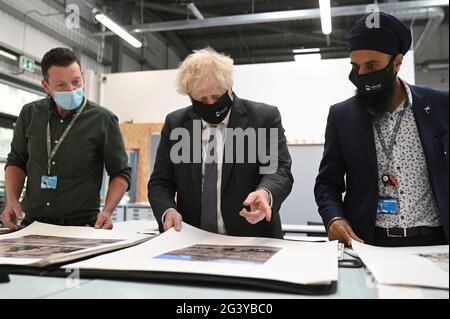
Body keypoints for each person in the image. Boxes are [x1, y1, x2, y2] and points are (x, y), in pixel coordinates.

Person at [314, 12, 448, 247]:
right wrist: (333, 218)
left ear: (397, 62)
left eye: (372, 65)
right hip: (369, 243)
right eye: (356, 66)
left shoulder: (440, 106)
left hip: (436, 242)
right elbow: (327, 184)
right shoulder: (342, 116)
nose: (362, 75)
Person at [148, 48, 293, 238]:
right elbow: (160, 183)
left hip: (252, 240)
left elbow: (279, 171)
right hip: (192, 242)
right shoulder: (176, 124)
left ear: (229, 86)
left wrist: (265, 193)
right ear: (190, 96)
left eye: (217, 96)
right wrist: (168, 210)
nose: (210, 104)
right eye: (202, 99)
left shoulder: (263, 118)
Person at [1, 48, 131, 230]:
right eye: (61, 85)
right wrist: (12, 201)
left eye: (76, 82)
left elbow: (120, 173)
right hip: (32, 224)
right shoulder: (30, 114)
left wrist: (107, 212)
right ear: (46, 86)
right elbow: (16, 161)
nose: (71, 90)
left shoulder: (103, 120)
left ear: (83, 76)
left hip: (81, 227)